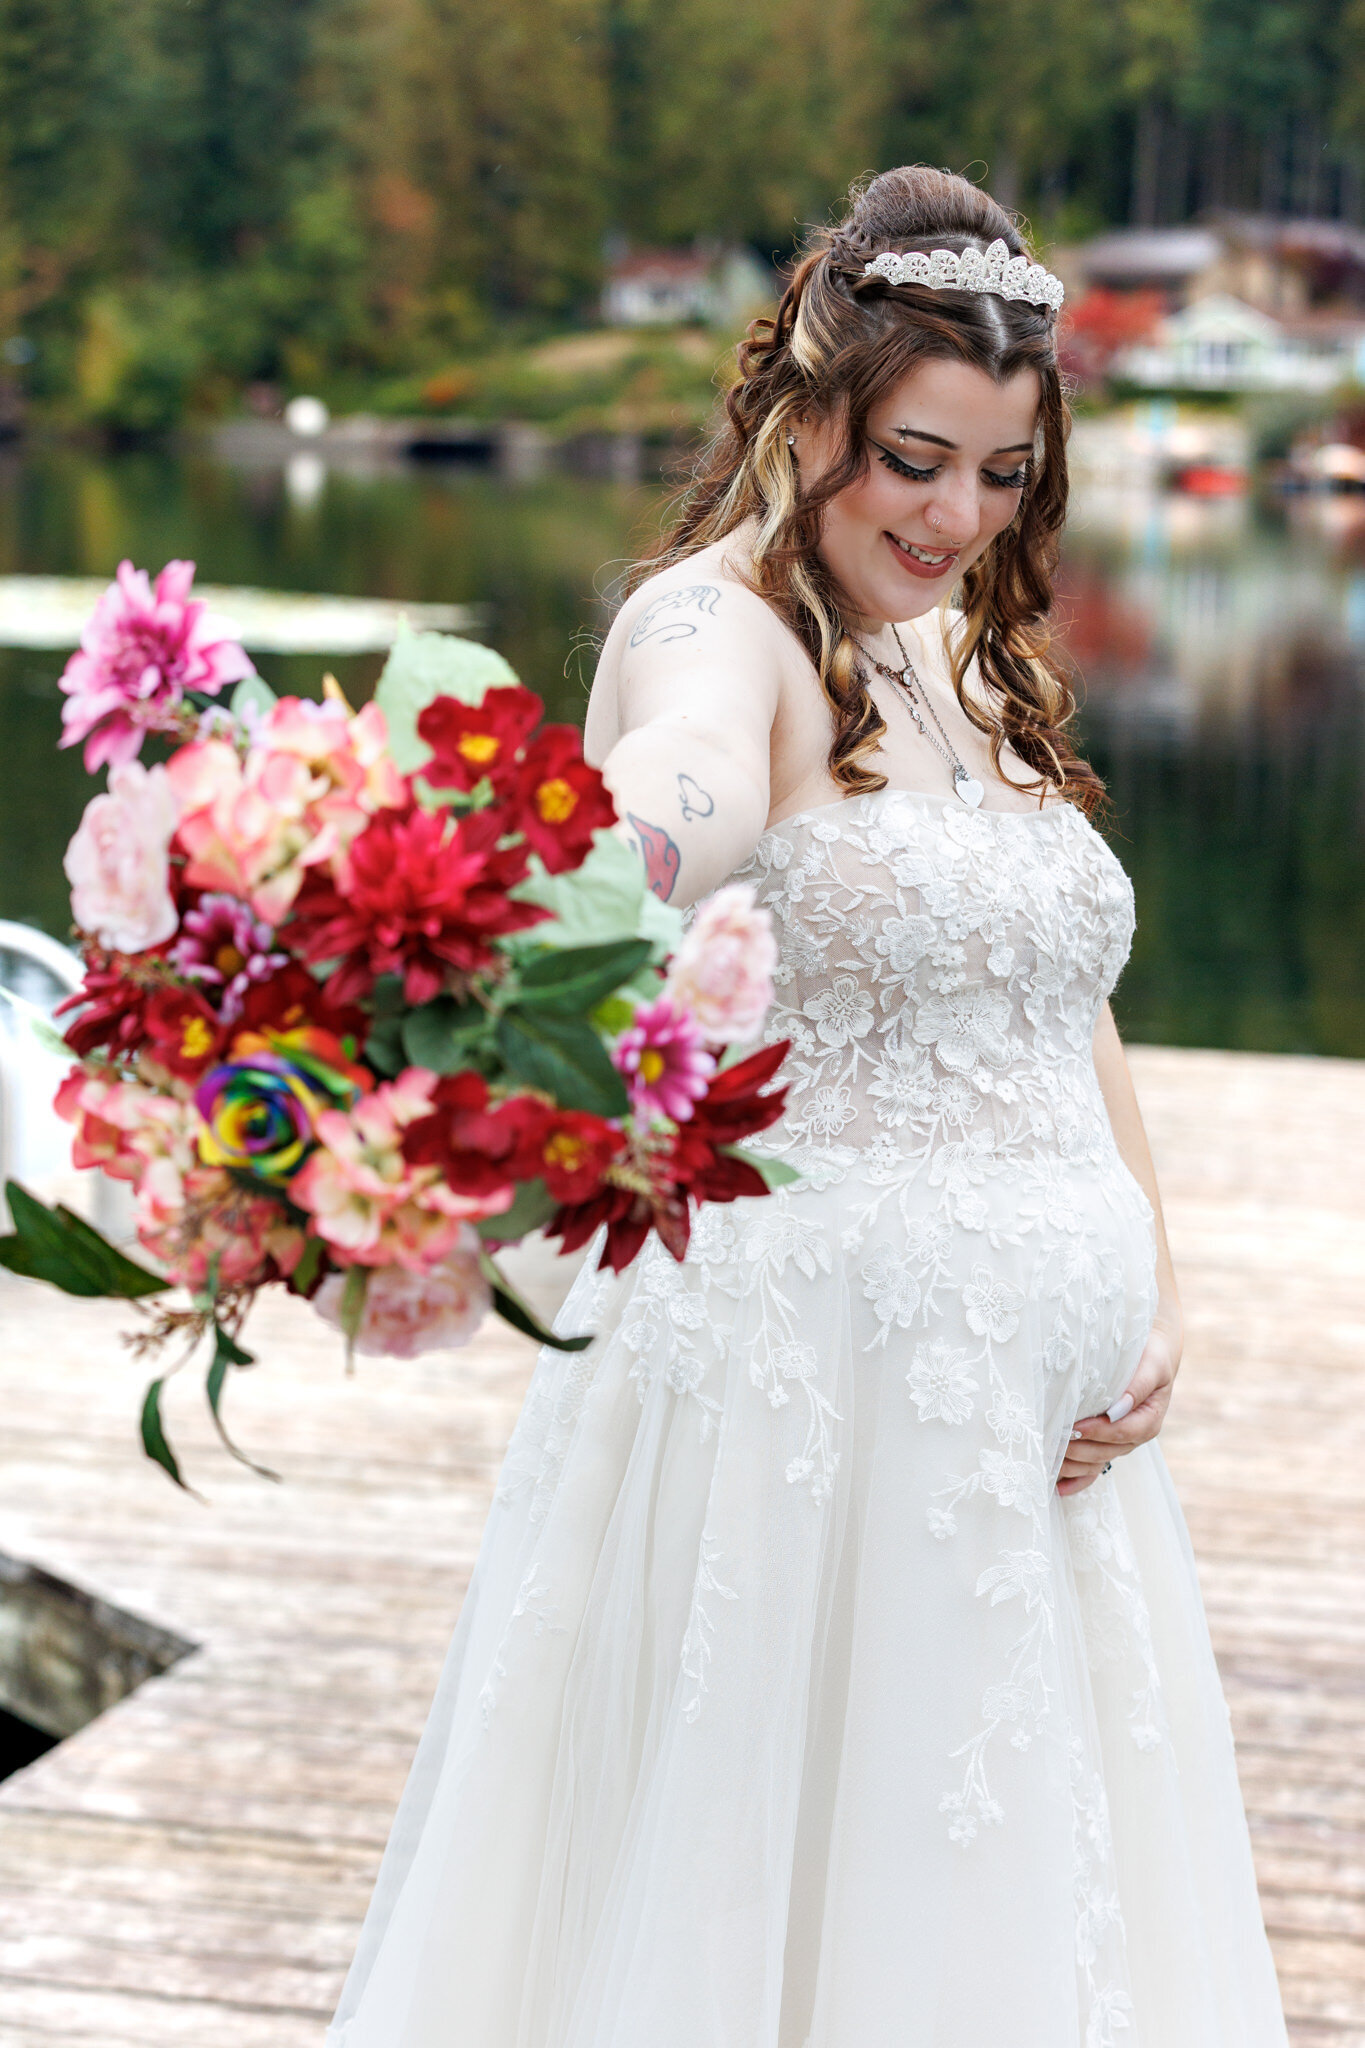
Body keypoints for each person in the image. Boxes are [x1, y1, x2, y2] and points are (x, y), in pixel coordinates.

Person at [327, 166, 1289, 2047]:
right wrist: (576, 867)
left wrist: (1156, 1290)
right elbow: (674, 791)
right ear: (804, 412)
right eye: (915, 461)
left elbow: (1057, 1002)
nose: (955, 519)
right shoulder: (719, 636)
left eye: (1003, 476)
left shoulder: (962, 647)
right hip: (819, 1423)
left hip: (1046, 1451)